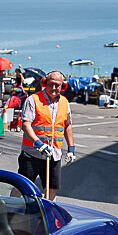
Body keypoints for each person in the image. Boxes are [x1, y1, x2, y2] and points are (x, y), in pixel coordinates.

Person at [18, 70, 75, 201]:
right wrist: (38, 143)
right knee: (22, 187)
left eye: (58, 85)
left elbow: (67, 125)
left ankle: (48, 216)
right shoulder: (33, 100)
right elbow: (26, 124)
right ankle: (13, 211)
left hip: (53, 155)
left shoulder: (65, 103)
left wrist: (71, 148)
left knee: (51, 190)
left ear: (63, 86)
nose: (54, 88)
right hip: (32, 154)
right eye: (52, 84)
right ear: (45, 83)